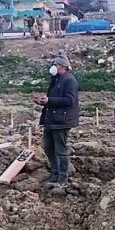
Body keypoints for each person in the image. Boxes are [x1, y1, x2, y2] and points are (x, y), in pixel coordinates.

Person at [35, 56, 79, 184]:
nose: (54, 66)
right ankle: (55, 173)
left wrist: (50, 101)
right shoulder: (56, 80)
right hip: (52, 119)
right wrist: (44, 101)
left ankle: (62, 177)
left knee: (60, 150)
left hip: (62, 120)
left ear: (63, 66)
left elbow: (69, 100)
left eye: (56, 64)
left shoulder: (70, 80)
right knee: (48, 147)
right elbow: (53, 98)